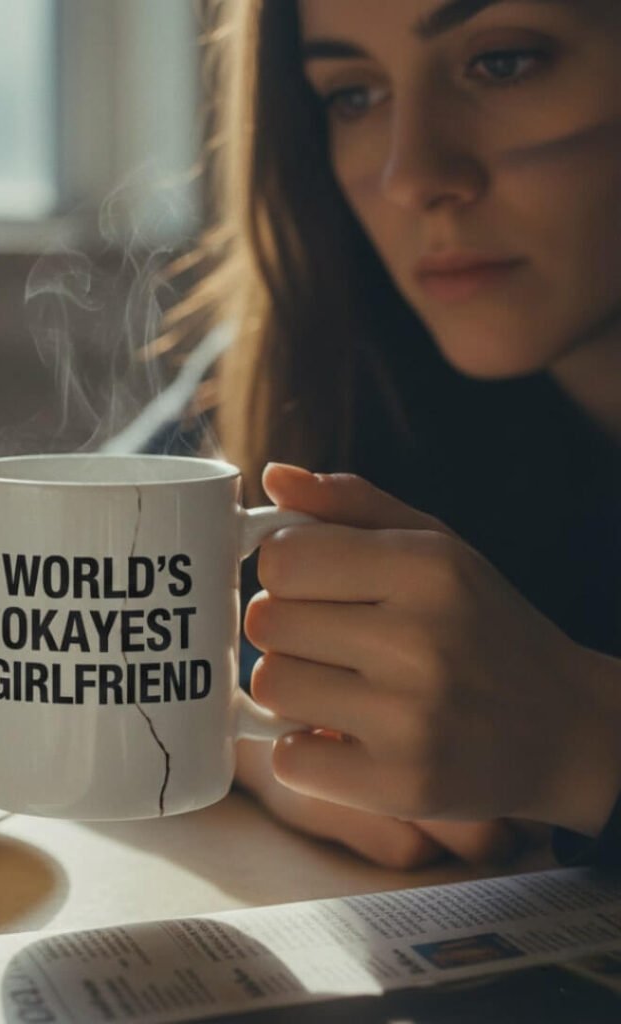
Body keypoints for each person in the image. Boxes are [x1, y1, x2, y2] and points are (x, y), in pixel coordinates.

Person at [172, 0, 621, 870]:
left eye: (503, 63)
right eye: (352, 94)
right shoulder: (342, 339)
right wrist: (246, 735)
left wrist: (588, 743)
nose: (410, 174)